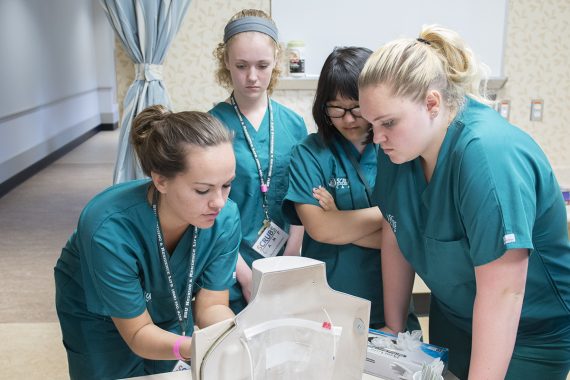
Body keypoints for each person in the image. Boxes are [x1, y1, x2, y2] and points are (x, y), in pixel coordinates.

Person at [358, 25, 570, 379]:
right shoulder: (395, 148)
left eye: (387, 123)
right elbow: (395, 231)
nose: (377, 137)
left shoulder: (486, 155)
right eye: (372, 124)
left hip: (528, 333)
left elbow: (504, 293)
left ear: (432, 103)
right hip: (454, 317)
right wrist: (395, 330)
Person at [54, 105, 241, 379]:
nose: (219, 202)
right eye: (202, 190)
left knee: (164, 370)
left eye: (227, 185)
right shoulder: (109, 227)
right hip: (98, 315)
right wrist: (192, 347)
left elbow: (211, 305)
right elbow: (138, 334)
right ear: (161, 181)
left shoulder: (225, 219)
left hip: (170, 299)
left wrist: (230, 336)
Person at [281, 46, 420, 331]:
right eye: (336, 108)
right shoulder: (308, 154)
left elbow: (414, 237)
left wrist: (339, 221)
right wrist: (389, 217)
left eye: (356, 106)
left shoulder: (399, 148)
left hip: (390, 303)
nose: (347, 118)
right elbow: (321, 230)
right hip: (330, 304)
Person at [209, 9, 307, 313]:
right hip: (231, 261)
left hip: (289, 256)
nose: (252, 77)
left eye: (262, 65)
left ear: (276, 60)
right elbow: (210, 209)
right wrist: (245, 276)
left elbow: (303, 196)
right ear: (226, 62)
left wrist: (291, 258)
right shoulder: (211, 128)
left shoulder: (294, 124)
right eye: (241, 66)